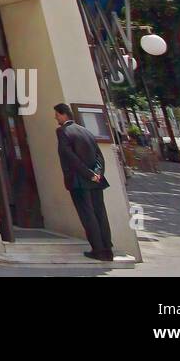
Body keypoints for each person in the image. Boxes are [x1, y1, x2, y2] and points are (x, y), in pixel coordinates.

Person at [55, 103, 114, 260]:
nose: (55, 118)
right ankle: (108, 248)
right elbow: (99, 156)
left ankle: (98, 249)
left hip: (79, 180)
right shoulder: (86, 131)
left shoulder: (63, 131)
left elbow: (70, 157)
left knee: (87, 215)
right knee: (100, 213)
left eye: (57, 114)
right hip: (95, 180)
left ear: (63, 115)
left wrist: (87, 174)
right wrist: (97, 174)